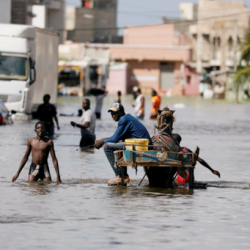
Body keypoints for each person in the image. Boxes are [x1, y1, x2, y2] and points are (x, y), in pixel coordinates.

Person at [94, 103, 152, 185]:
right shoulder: (126, 118)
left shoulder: (123, 119)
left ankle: (120, 175)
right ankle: (124, 175)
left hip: (140, 146)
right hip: (140, 144)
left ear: (121, 112)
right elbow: (117, 139)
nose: (113, 115)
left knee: (107, 147)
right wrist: (103, 139)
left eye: (115, 113)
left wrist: (102, 141)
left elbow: (114, 139)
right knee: (116, 144)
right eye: (111, 113)